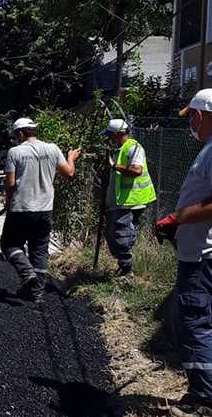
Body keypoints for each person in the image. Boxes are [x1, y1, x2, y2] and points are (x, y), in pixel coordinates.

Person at [156, 89, 212, 416]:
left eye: (192, 115)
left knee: (195, 322)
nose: (190, 121)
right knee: (195, 320)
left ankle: (203, 398)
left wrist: (180, 217)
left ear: (204, 114)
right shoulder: (207, 149)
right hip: (196, 253)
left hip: (203, 257)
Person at [1, 118, 81, 303]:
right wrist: (71, 158)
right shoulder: (52, 149)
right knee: (39, 250)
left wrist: (7, 200)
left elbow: (11, 183)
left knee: (9, 245)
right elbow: (69, 174)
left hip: (21, 208)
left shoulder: (15, 152)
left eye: (15, 135)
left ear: (20, 133)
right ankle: (36, 293)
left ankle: (26, 272)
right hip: (45, 209)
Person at [101, 119, 156, 277]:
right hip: (120, 201)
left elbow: (136, 170)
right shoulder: (119, 150)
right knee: (112, 235)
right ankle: (123, 266)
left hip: (132, 200)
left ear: (118, 134)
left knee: (121, 235)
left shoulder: (133, 147)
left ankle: (127, 271)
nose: (109, 140)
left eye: (110, 136)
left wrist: (113, 166)